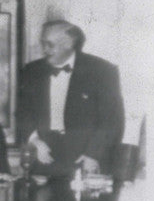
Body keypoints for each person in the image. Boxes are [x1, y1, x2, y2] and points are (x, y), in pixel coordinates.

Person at [16, 20, 125, 176]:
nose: (44, 49)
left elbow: (112, 119)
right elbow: (22, 112)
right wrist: (35, 141)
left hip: (85, 157)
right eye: (43, 43)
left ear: (69, 43)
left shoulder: (102, 71)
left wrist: (93, 154)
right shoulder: (31, 71)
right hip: (44, 154)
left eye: (50, 44)